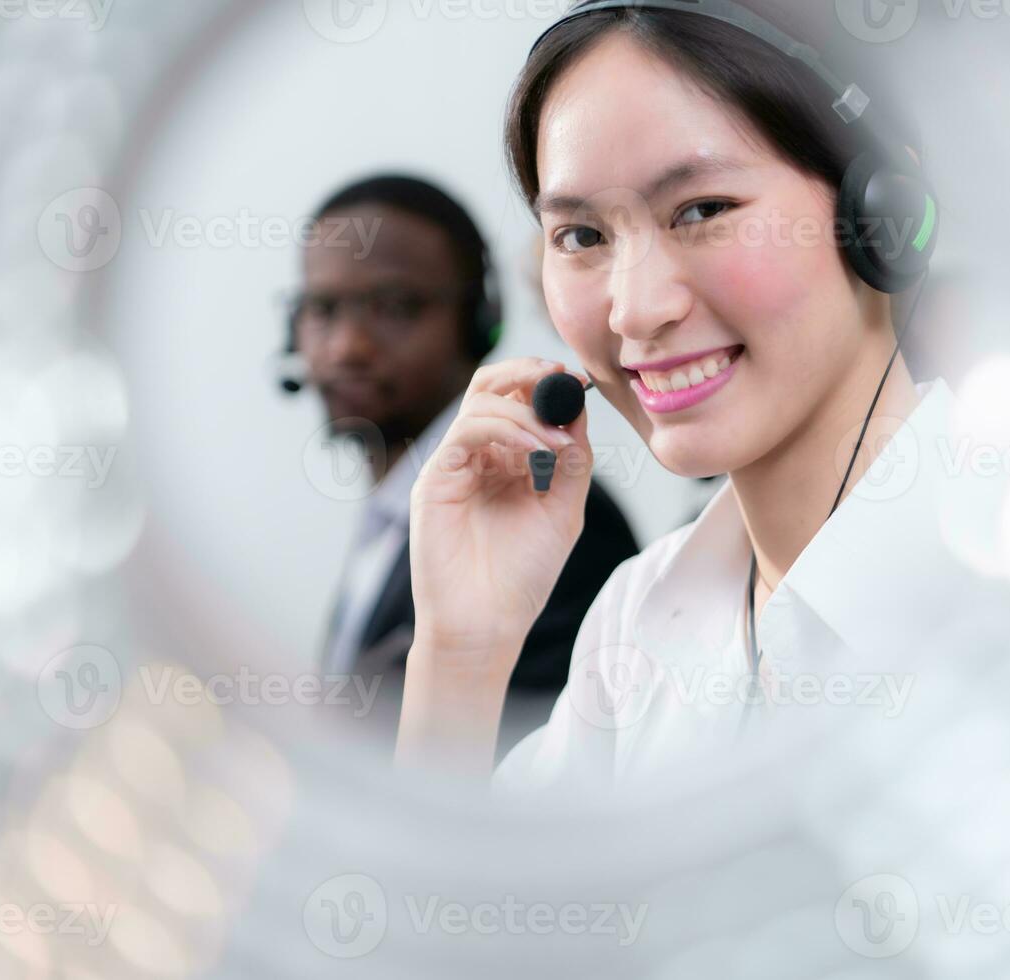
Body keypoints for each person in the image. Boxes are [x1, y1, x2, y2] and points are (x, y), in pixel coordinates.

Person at [395, 0, 952, 790]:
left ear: (882, 214)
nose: (634, 308)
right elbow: (454, 913)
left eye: (702, 210)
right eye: (582, 237)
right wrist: (459, 653)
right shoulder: (637, 625)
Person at [289, 174, 639, 755]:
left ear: (481, 322)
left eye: (395, 307)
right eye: (322, 310)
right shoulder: (384, 524)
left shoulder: (545, 515)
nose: (347, 345)